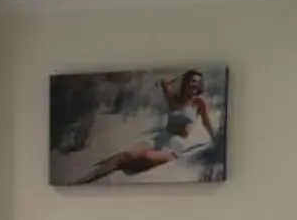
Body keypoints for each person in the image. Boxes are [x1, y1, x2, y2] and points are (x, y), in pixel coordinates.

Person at [71, 70, 218, 184]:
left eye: (198, 83)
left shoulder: (198, 103)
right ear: (185, 82)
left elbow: (206, 121)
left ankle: (89, 178)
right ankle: (87, 178)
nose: (195, 85)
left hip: (174, 146)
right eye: (191, 81)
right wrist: (178, 78)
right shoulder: (173, 98)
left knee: (132, 158)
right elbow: (164, 81)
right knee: (124, 155)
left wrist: (214, 138)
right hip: (160, 138)